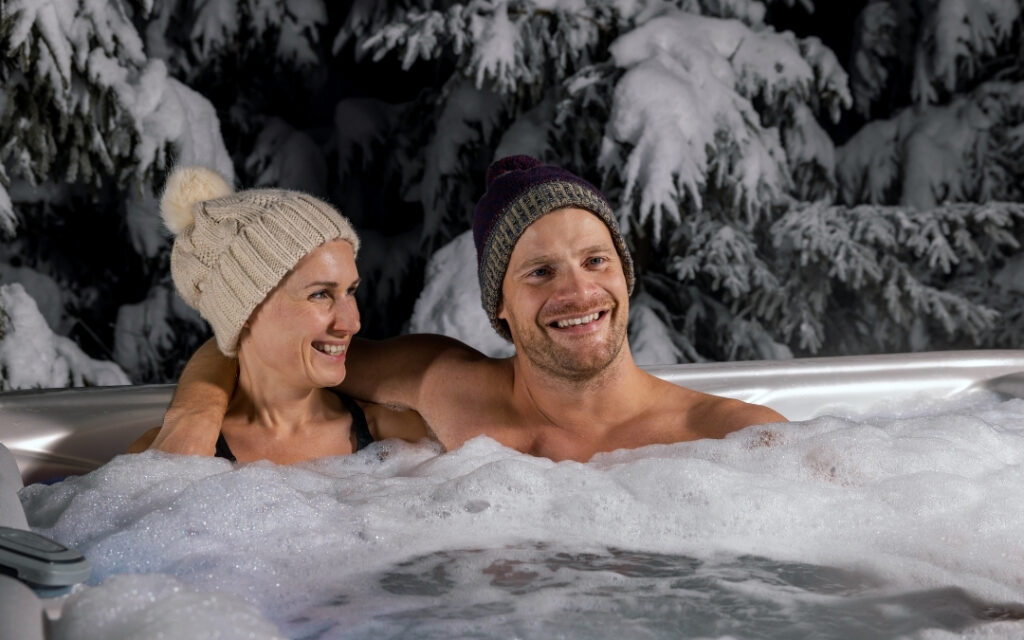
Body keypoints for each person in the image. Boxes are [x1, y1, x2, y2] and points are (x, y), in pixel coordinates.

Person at [149, 156, 784, 463]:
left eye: (596, 261)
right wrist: (193, 420)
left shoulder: (731, 439)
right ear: (498, 306)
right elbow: (265, 347)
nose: (579, 293)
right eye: (539, 272)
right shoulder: (442, 385)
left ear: (624, 273)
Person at [128, 167, 426, 463]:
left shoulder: (398, 440)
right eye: (320, 294)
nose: (352, 323)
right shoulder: (169, 460)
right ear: (244, 310)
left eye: (350, 291)